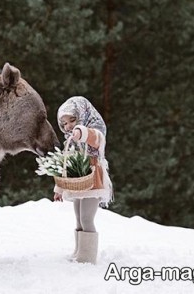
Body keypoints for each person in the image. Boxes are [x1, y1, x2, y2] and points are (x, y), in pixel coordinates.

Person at [54, 96, 113, 264]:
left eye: (72, 120)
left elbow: (96, 138)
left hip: (93, 178)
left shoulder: (95, 128)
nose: (68, 126)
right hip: (79, 180)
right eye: (64, 124)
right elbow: (66, 165)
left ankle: (87, 257)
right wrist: (59, 188)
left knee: (87, 218)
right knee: (79, 218)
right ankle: (79, 251)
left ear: (82, 115)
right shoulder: (71, 141)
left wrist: (82, 133)